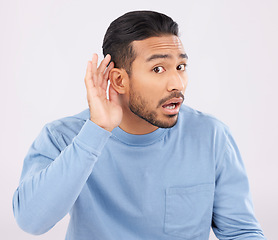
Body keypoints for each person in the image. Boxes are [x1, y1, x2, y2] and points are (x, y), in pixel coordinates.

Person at [12, 10, 266, 240]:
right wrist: (97, 130)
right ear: (119, 80)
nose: (177, 83)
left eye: (180, 66)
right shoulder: (63, 136)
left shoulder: (211, 136)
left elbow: (241, 232)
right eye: (158, 69)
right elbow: (32, 222)